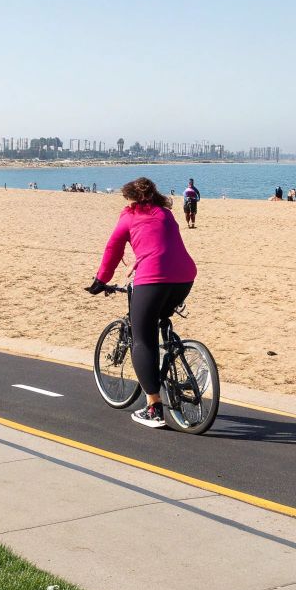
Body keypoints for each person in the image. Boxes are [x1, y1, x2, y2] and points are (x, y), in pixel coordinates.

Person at [86, 177, 198, 429]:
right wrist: (138, 261)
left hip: (154, 278)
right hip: (185, 277)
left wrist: (100, 280)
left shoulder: (127, 217)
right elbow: (161, 246)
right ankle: (172, 353)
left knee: (142, 338)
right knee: (159, 316)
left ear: (130, 198)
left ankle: (153, 407)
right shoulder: (165, 214)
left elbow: (113, 249)